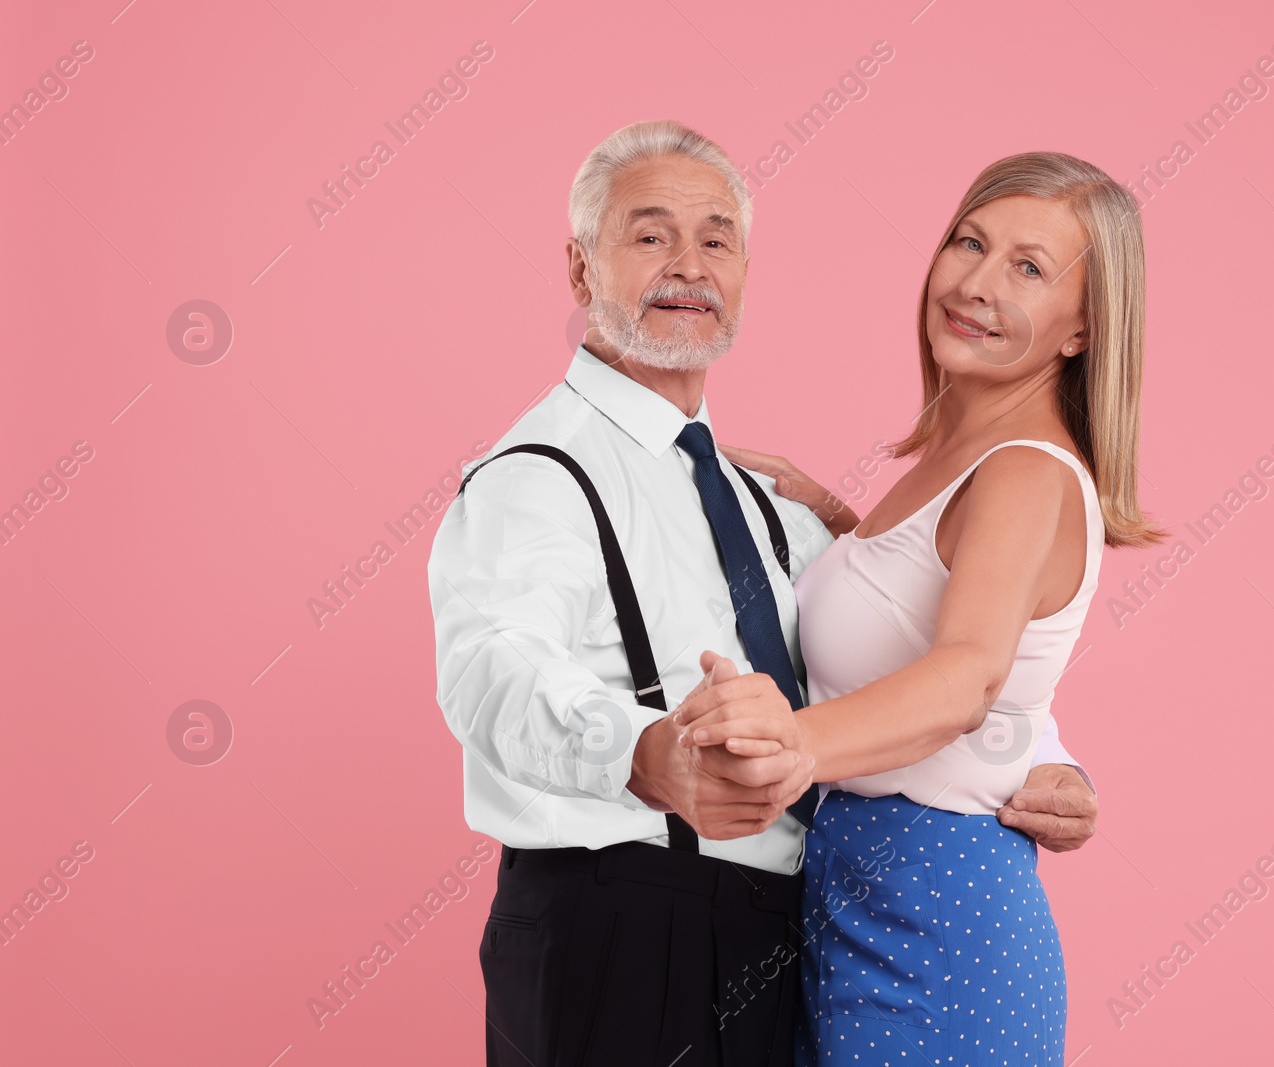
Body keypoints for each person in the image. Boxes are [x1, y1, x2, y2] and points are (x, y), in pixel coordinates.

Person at [427, 120, 1100, 1067]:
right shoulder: (538, 472)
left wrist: (1046, 760)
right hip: (618, 929)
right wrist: (642, 751)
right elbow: (491, 667)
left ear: (745, 272)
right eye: (650, 234)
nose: (688, 266)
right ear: (581, 271)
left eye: (716, 240)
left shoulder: (765, 506)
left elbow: (929, 642)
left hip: (791, 936)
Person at [674, 151, 1162, 1065]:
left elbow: (968, 675)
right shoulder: (956, 461)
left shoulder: (1023, 470)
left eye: (1027, 267)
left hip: (938, 916)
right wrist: (838, 525)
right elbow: (938, 635)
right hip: (853, 890)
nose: (976, 284)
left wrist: (795, 745)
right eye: (968, 243)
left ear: (1084, 326)